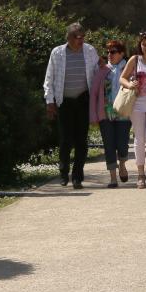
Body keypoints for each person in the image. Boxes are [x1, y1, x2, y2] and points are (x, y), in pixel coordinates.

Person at [43, 23, 98, 189]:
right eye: (76, 36)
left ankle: (77, 176)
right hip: (64, 100)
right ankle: (63, 171)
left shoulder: (89, 51)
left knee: (81, 140)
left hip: (83, 99)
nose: (80, 40)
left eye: (82, 36)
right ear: (68, 37)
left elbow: (97, 72)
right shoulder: (57, 52)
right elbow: (49, 78)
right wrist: (49, 101)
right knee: (66, 139)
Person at [119, 31, 146, 188]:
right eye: (144, 44)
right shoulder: (135, 60)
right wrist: (130, 84)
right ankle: (140, 174)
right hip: (136, 104)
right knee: (139, 139)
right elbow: (122, 78)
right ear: (140, 45)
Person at [92, 39, 131, 187]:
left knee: (122, 144)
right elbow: (94, 94)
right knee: (109, 145)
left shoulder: (129, 68)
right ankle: (113, 178)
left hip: (123, 113)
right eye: (108, 52)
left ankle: (122, 164)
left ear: (121, 53)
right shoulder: (102, 70)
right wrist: (94, 115)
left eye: (113, 52)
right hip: (106, 113)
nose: (109, 54)